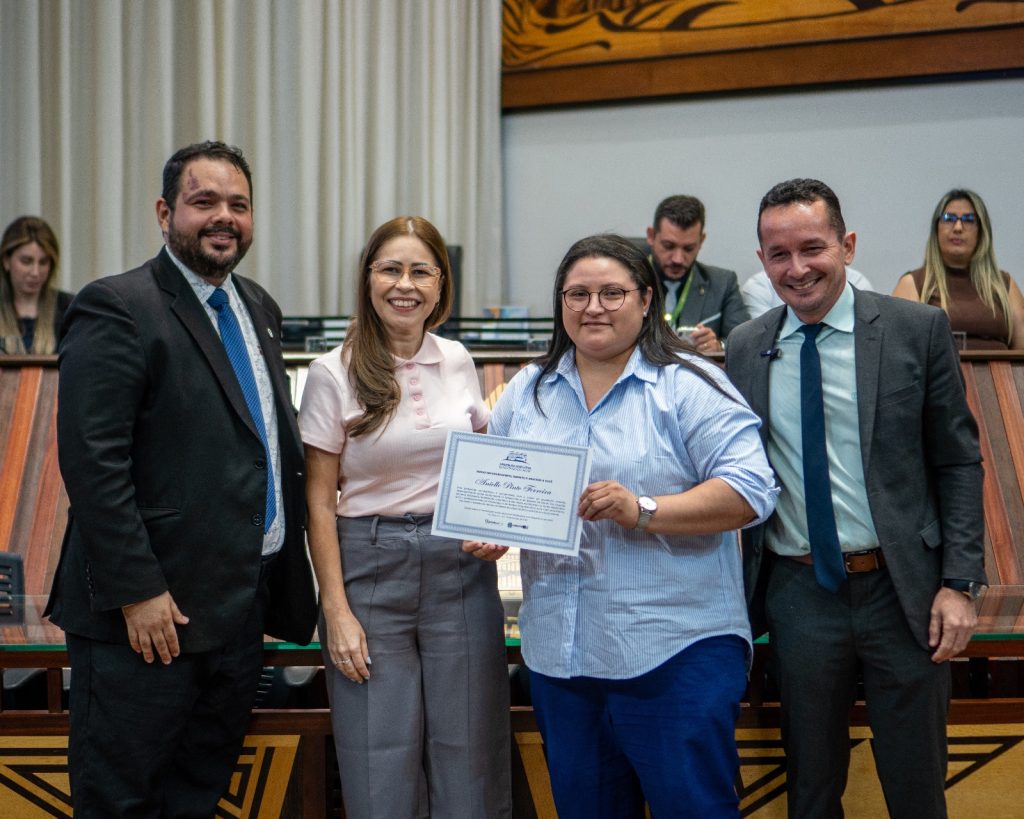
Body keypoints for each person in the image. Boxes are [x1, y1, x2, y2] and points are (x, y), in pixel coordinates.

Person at [45, 140, 317, 816]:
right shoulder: (116, 305)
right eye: (205, 202)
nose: (224, 217)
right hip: (148, 621)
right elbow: (93, 464)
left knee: (197, 798)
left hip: (237, 613)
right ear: (165, 213)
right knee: (122, 802)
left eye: (239, 205)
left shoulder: (258, 307)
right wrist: (139, 591)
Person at [469, 234, 777, 818]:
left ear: (646, 299)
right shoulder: (528, 391)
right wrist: (494, 528)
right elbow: (501, 492)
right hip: (562, 659)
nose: (594, 307)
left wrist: (644, 509)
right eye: (577, 294)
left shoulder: (689, 384)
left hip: (674, 655)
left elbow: (751, 490)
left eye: (612, 293)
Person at [726, 179, 985, 819]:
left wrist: (959, 583)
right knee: (811, 787)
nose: (797, 268)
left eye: (812, 248)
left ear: (847, 245)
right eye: (779, 254)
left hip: (905, 592)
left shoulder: (915, 329)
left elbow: (957, 461)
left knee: (916, 784)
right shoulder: (746, 347)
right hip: (798, 593)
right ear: (761, 260)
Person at [299, 216, 512, 818]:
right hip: (369, 569)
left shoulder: (459, 359)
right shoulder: (332, 372)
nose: (405, 285)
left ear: (441, 284)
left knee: (471, 757)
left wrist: (493, 526)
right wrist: (335, 611)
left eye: (421, 271)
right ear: (367, 278)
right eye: (390, 269)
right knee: (379, 765)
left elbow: (482, 465)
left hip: (459, 571)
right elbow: (319, 501)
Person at [892, 188, 1024, 349]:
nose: (958, 227)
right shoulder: (913, 284)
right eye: (949, 218)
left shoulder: (1004, 285)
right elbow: (897, 351)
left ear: (981, 231)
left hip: (999, 367)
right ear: (936, 228)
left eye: (968, 219)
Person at [645, 194, 749, 351]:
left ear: (702, 240)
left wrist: (719, 346)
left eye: (688, 248)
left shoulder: (723, 283)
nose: (678, 259)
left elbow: (746, 344)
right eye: (669, 246)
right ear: (651, 236)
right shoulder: (626, 280)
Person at [0, 215, 73, 353]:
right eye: (26, 261)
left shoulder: (69, 308)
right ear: (6, 261)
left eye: (43, 262)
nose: (35, 272)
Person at [741, 266, 873, 319]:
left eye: (812, 249)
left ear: (847, 248)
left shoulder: (856, 282)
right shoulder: (759, 286)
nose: (798, 272)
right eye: (781, 254)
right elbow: (761, 340)